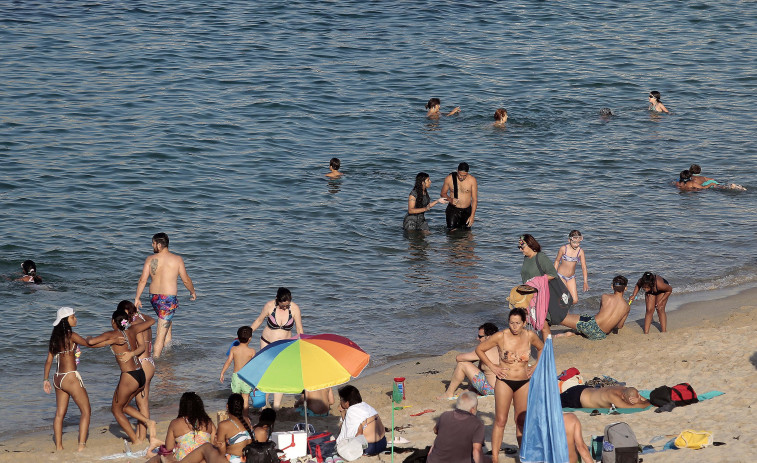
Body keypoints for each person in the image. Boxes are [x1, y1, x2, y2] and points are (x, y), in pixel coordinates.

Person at [476, 308, 544, 462]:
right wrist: (493, 367)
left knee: (521, 420)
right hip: (504, 382)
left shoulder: (530, 335)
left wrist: (535, 366)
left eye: (518, 323)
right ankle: (494, 458)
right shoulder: (501, 336)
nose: (514, 326)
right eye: (511, 323)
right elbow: (480, 349)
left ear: (524, 323)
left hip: (523, 382)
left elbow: (542, 348)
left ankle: (523, 455)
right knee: (500, 420)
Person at [86, 308, 157, 445]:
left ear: (113, 321)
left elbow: (91, 342)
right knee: (123, 406)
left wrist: (87, 338)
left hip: (129, 376)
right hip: (140, 373)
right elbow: (146, 336)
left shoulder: (112, 334)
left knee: (116, 409)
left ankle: (136, 440)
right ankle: (149, 422)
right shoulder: (133, 330)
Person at [135, 232, 197, 358]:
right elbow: (186, 279)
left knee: (166, 323)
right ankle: (156, 361)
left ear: (158, 245)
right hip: (168, 299)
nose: (152, 246)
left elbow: (143, 280)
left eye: (153, 243)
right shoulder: (177, 259)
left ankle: (168, 351)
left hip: (154, 298)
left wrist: (137, 297)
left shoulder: (150, 259)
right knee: (160, 334)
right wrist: (192, 291)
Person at [43, 307, 91, 451]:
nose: (75, 319)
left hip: (58, 378)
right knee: (86, 411)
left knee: (59, 414)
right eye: (73, 317)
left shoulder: (54, 339)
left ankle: (59, 447)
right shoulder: (72, 335)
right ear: (66, 320)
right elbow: (88, 343)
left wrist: (45, 380)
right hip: (70, 377)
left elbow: (48, 361)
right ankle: (81, 446)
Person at [250, 287, 304, 409]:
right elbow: (258, 321)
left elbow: (299, 329)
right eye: (282, 305)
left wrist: (301, 344)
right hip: (266, 342)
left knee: (279, 374)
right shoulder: (269, 306)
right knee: (265, 373)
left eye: (287, 305)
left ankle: (276, 405)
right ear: (277, 300)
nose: (285, 307)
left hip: (284, 345)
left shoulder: (294, 309)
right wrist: (247, 333)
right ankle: (262, 403)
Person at [120, 300, 157, 443]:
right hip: (150, 362)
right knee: (143, 402)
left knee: (140, 403)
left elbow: (139, 347)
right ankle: (143, 435)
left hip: (142, 363)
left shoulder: (135, 326)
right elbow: (152, 319)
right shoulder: (144, 321)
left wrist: (129, 354)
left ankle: (143, 436)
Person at [555, 275, 631, 340]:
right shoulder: (627, 307)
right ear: (625, 288)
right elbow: (620, 326)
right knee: (586, 321)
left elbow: (600, 313)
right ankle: (575, 333)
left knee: (562, 318)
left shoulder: (605, 297)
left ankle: (549, 316)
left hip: (591, 325)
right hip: (601, 335)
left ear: (612, 287)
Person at [147, 391, 216, 462]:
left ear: (183, 406)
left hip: (183, 460)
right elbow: (214, 444)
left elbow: (169, 448)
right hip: (204, 460)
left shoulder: (175, 423)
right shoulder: (209, 422)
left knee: (158, 458)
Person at [439, 322, 499, 399]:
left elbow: (459, 358)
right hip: (503, 390)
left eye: (480, 336)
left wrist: (469, 361)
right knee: (481, 366)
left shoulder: (484, 349)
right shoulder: (501, 347)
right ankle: (471, 389)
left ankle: (449, 393)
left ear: (488, 337)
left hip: (492, 391)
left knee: (462, 364)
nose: (477, 338)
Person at [427, 391, 488, 463]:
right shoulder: (477, 424)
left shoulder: (445, 415)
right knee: (487, 459)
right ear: (472, 409)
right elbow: (476, 450)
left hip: (433, 460)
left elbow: (436, 431)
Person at [336, 385, 387, 456]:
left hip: (370, 447)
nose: (340, 402)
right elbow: (351, 425)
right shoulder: (366, 406)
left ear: (347, 403)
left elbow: (348, 435)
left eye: (341, 400)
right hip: (383, 443)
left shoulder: (352, 411)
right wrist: (343, 412)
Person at [220, 326, 257, 415]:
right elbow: (254, 367)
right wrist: (255, 382)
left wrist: (222, 373)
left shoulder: (234, 349)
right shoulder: (252, 351)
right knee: (245, 398)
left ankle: (231, 414)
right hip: (246, 377)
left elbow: (228, 362)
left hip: (236, 376)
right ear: (250, 338)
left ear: (238, 338)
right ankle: (245, 417)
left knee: (234, 397)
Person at [215, 394, 253, 463]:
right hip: (248, 459)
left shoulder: (224, 425)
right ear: (242, 406)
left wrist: (215, 444)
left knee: (207, 448)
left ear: (227, 406)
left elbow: (222, 451)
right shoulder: (247, 420)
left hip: (235, 460)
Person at [553, 230, 589, 303]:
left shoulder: (580, 251)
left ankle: (565, 310)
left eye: (578, 242)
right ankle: (562, 312)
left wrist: (585, 282)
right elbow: (557, 261)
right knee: (565, 298)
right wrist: (553, 275)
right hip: (561, 276)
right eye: (574, 242)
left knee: (575, 300)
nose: (576, 245)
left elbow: (584, 267)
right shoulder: (563, 249)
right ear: (569, 240)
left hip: (571, 278)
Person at [441, 162, 478, 230]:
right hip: (453, 209)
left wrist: (472, 216)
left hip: (466, 210)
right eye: (460, 175)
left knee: (466, 233)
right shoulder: (449, 179)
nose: (462, 177)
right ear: (457, 171)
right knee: (451, 232)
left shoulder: (472, 180)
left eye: (465, 175)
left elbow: (475, 200)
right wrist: (450, 199)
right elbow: (443, 193)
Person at [560, 385, 649, 409]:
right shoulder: (613, 397)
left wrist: (639, 399)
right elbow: (632, 407)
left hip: (584, 389)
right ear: (623, 397)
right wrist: (642, 402)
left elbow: (638, 396)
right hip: (575, 397)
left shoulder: (626, 389)